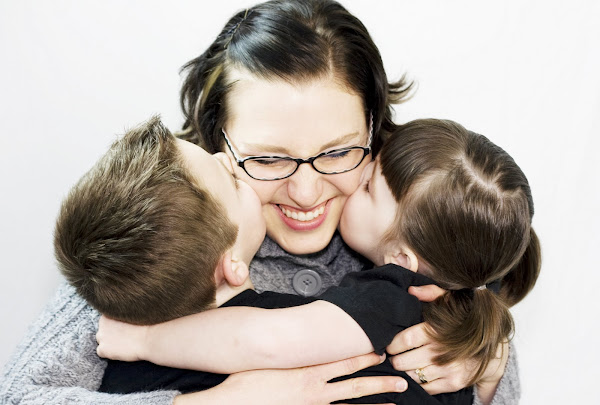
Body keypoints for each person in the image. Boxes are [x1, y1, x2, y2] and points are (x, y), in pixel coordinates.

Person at [0, 0, 517, 403]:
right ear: (218, 144)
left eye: (338, 152)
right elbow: (20, 396)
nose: (306, 192)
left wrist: (486, 364)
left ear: (374, 133)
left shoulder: (415, 232)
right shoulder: (160, 239)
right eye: (268, 160)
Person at [96, 119, 538, 405]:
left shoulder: (390, 298)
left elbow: (264, 340)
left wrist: (145, 341)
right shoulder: (457, 298)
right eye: (269, 156)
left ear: (403, 259)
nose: (350, 181)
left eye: (367, 188)